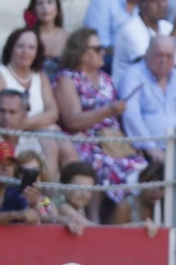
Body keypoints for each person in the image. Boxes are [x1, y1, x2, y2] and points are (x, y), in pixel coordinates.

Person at [55, 29, 144, 189]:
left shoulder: (106, 79)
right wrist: (108, 111)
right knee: (126, 171)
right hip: (86, 142)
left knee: (145, 170)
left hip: (113, 141)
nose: (103, 52)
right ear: (81, 53)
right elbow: (72, 120)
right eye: (97, 49)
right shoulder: (67, 79)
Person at [120, 33, 176, 175]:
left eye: (169, 56)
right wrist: (151, 147)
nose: (163, 61)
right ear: (147, 54)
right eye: (159, 55)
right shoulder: (133, 75)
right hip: (148, 148)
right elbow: (131, 116)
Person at [0, 26, 61, 146]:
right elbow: (8, 122)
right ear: (11, 48)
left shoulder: (40, 76)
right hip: (12, 138)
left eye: (31, 48)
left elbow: (54, 113)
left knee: (69, 149)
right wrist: (44, 122)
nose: (25, 51)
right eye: (20, 46)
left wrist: (27, 123)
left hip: (44, 131)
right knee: (49, 143)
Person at [112, 0, 175, 72]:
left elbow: (174, 64)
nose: (161, 5)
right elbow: (152, 66)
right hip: (133, 81)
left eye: (163, 0)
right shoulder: (130, 29)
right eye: (154, 1)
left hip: (158, 81)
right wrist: (174, 34)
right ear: (141, 4)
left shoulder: (168, 27)